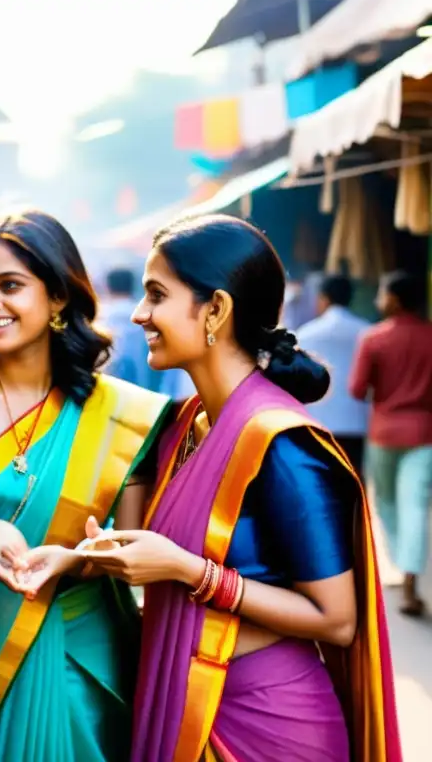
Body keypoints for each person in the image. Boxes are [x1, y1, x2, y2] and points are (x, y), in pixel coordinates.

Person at [32, 215, 400, 761]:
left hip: (268, 721)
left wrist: (189, 571)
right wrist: (81, 559)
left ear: (216, 310)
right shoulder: (186, 424)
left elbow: (337, 619)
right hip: (186, 697)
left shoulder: (282, 444)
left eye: (156, 295)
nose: (139, 314)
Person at [0, 209, 171, 761]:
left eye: (9, 285)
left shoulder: (121, 414)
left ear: (58, 297)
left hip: (82, 649)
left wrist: (75, 558)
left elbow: (131, 554)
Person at [350, 270, 432, 617]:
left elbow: (357, 389)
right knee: (415, 503)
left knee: (386, 501)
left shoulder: (374, 338)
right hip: (424, 432)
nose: (377, 300)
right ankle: (410, 575)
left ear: (395, 299)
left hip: (384, 431)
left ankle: (401, 564)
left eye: (382, 294)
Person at [296, 273, 370, 477]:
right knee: (353, 478)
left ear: (324, 298)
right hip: (357, 421)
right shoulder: (366, 331)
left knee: (321, 480)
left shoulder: (306, 334)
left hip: (317, 420)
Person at [99, 267, 151, 389]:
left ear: (108, 287)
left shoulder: (101, 318)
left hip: (110, 390)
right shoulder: (147, 317)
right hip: (147, 392)